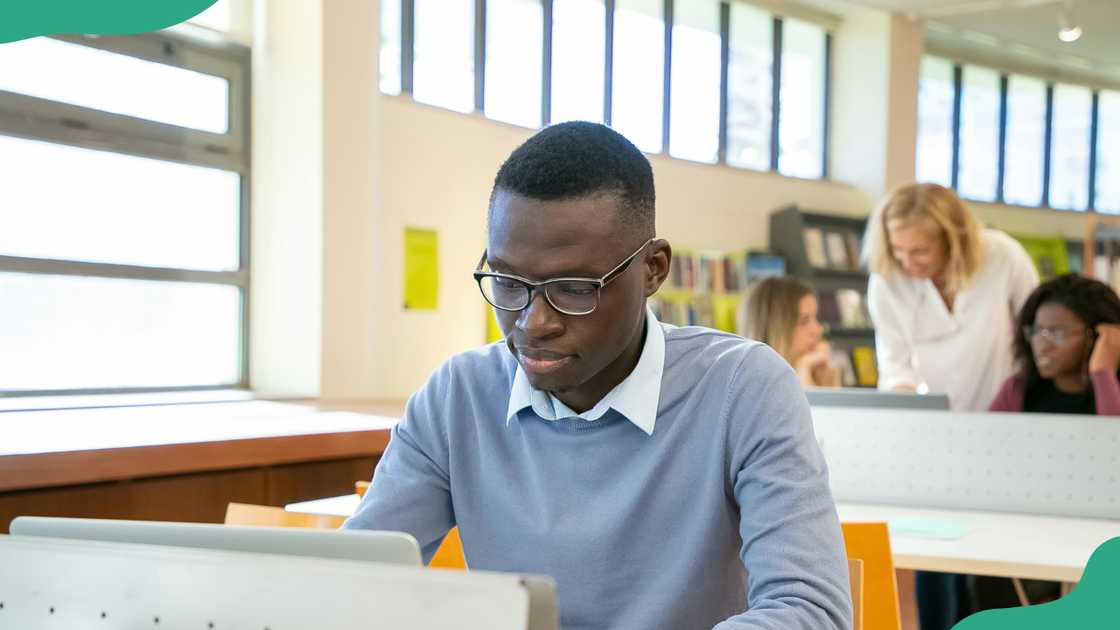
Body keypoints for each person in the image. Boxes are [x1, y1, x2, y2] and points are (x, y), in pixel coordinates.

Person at [343, 122, 852, 630]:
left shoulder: (744, 389)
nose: (533, 322)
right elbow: (350, 583)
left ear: (653, 269)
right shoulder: (457, 396)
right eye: (507, 281)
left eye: (574, 289)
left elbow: (808, 611)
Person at [862, 182, 1039, 630]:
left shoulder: (1003, 257)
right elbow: (896, 368)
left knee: (1000, 560)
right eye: (898, 250)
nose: (907, 262)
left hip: (1011, 428)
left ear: (954, 239)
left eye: (919, 251)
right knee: (940, 561)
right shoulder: (887, 282)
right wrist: (908, 424)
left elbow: (1037, 338)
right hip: (937, 436)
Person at [990, 273, 1120, 414]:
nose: (1042, 346)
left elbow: (1112, 435)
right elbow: (988, 434)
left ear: (1097, 337)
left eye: (1056, 334)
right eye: (1036, 331)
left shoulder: (1111, 387)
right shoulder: (1016, 391)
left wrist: (1103, 375)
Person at [740, 276, 840, 387]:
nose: (818, 329)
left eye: (815, 318)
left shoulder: (818, 371)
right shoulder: (754, 389)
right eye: (804, 321)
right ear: (774, 329)